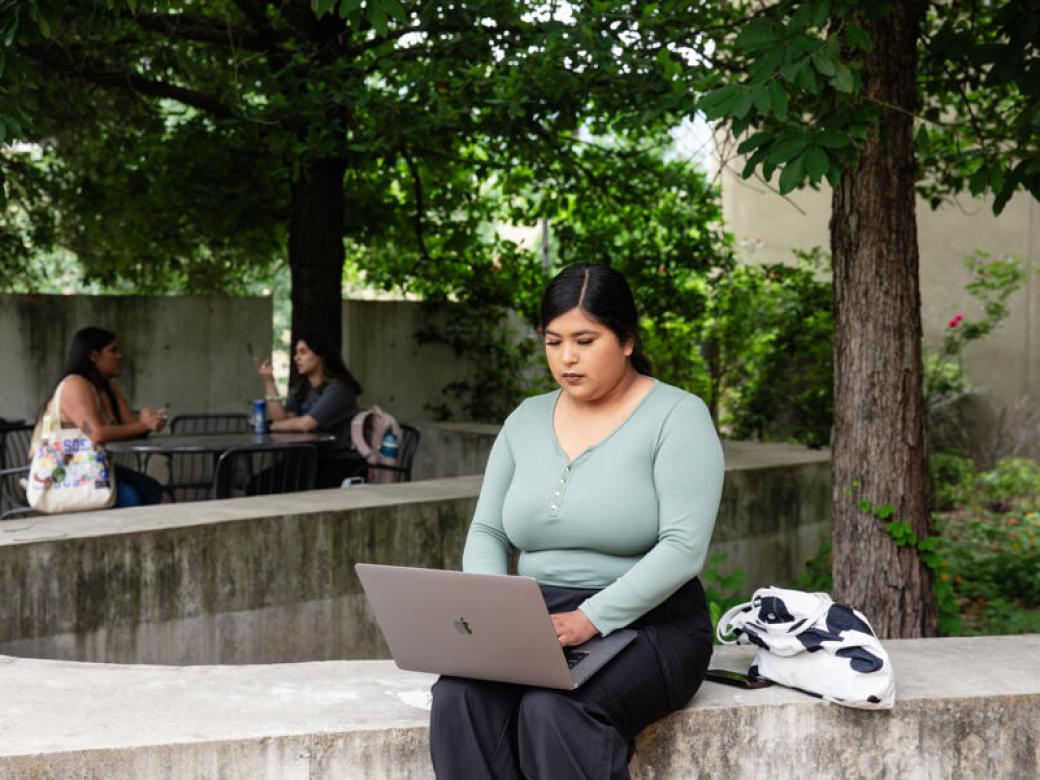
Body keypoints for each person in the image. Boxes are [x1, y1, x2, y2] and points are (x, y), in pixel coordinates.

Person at [429, 264, 725, 779]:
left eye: (585, 340)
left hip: (648, 624)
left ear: (627, 340)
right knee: (459, 697)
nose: (566, 357)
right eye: (553, 341)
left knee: (555, 708)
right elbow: (488, 531)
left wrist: (590, 618)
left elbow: (683, 547)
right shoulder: (525, 419)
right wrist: (498, 613)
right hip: (535, 621)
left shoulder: (678, 416)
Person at [41, 326, 166, 507]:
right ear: (93, 355)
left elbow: (130, 425)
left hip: (95, 466)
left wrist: (149, 421)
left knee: (150, 488)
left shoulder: (107, 388)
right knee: (131, 497)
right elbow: (96, 434)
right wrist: (142, 425)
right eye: (113, 350)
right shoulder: (75, 384)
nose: (119, 356)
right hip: (65, 470)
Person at [255, 332, 367, 488]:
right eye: (296, 353)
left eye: (303, 352)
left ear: (321, 355)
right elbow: (282, 421)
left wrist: (268, 426)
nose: (296, 358)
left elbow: (306, 424)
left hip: (338, 461)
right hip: (308, 458)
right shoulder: (302, 388)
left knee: (269, 485)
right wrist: (269, 382)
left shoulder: (339, 389)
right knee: (257, 484)